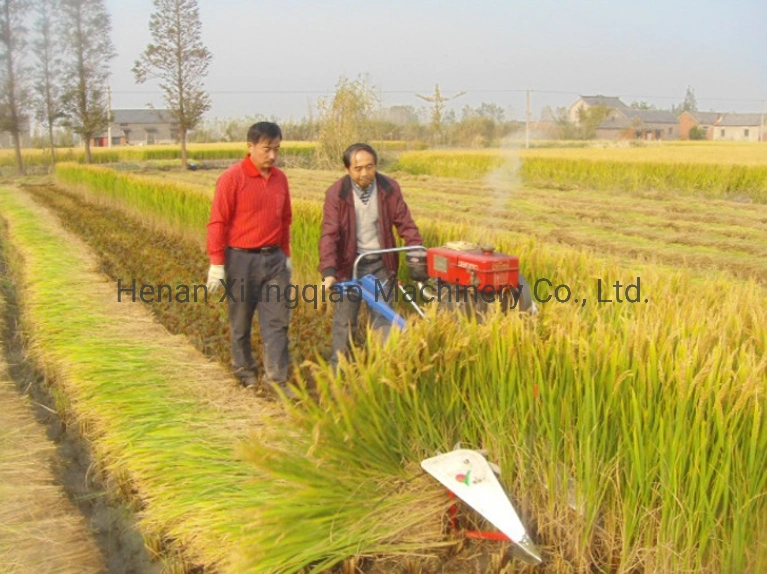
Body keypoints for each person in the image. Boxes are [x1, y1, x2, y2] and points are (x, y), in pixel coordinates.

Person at [206, 121, 294, 397]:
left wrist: (286, 255)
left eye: (277, 150)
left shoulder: (280, 179)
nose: (272, 156)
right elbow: (218, 222)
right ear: (251, 147)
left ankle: (276, 379)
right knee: (241, 322)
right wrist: (217, 264)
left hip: (274, 260)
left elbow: (285, 220)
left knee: (277, 321)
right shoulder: (232, 179)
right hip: (241, 260)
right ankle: (244, 371)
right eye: (267, 149)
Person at [319, 143, 424, 370]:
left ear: (376, 166)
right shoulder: (337, 194)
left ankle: (383, 371)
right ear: (347, 169)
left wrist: (416, 251)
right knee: (345, 321)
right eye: (358, 168)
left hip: (380, 264)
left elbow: (405, 224)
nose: (365, 173)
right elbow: (329, 234)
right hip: (349, 267)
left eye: (370, 167)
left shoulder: (388, 188)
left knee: (383, 318)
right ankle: (339, 371)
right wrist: (328, 272)